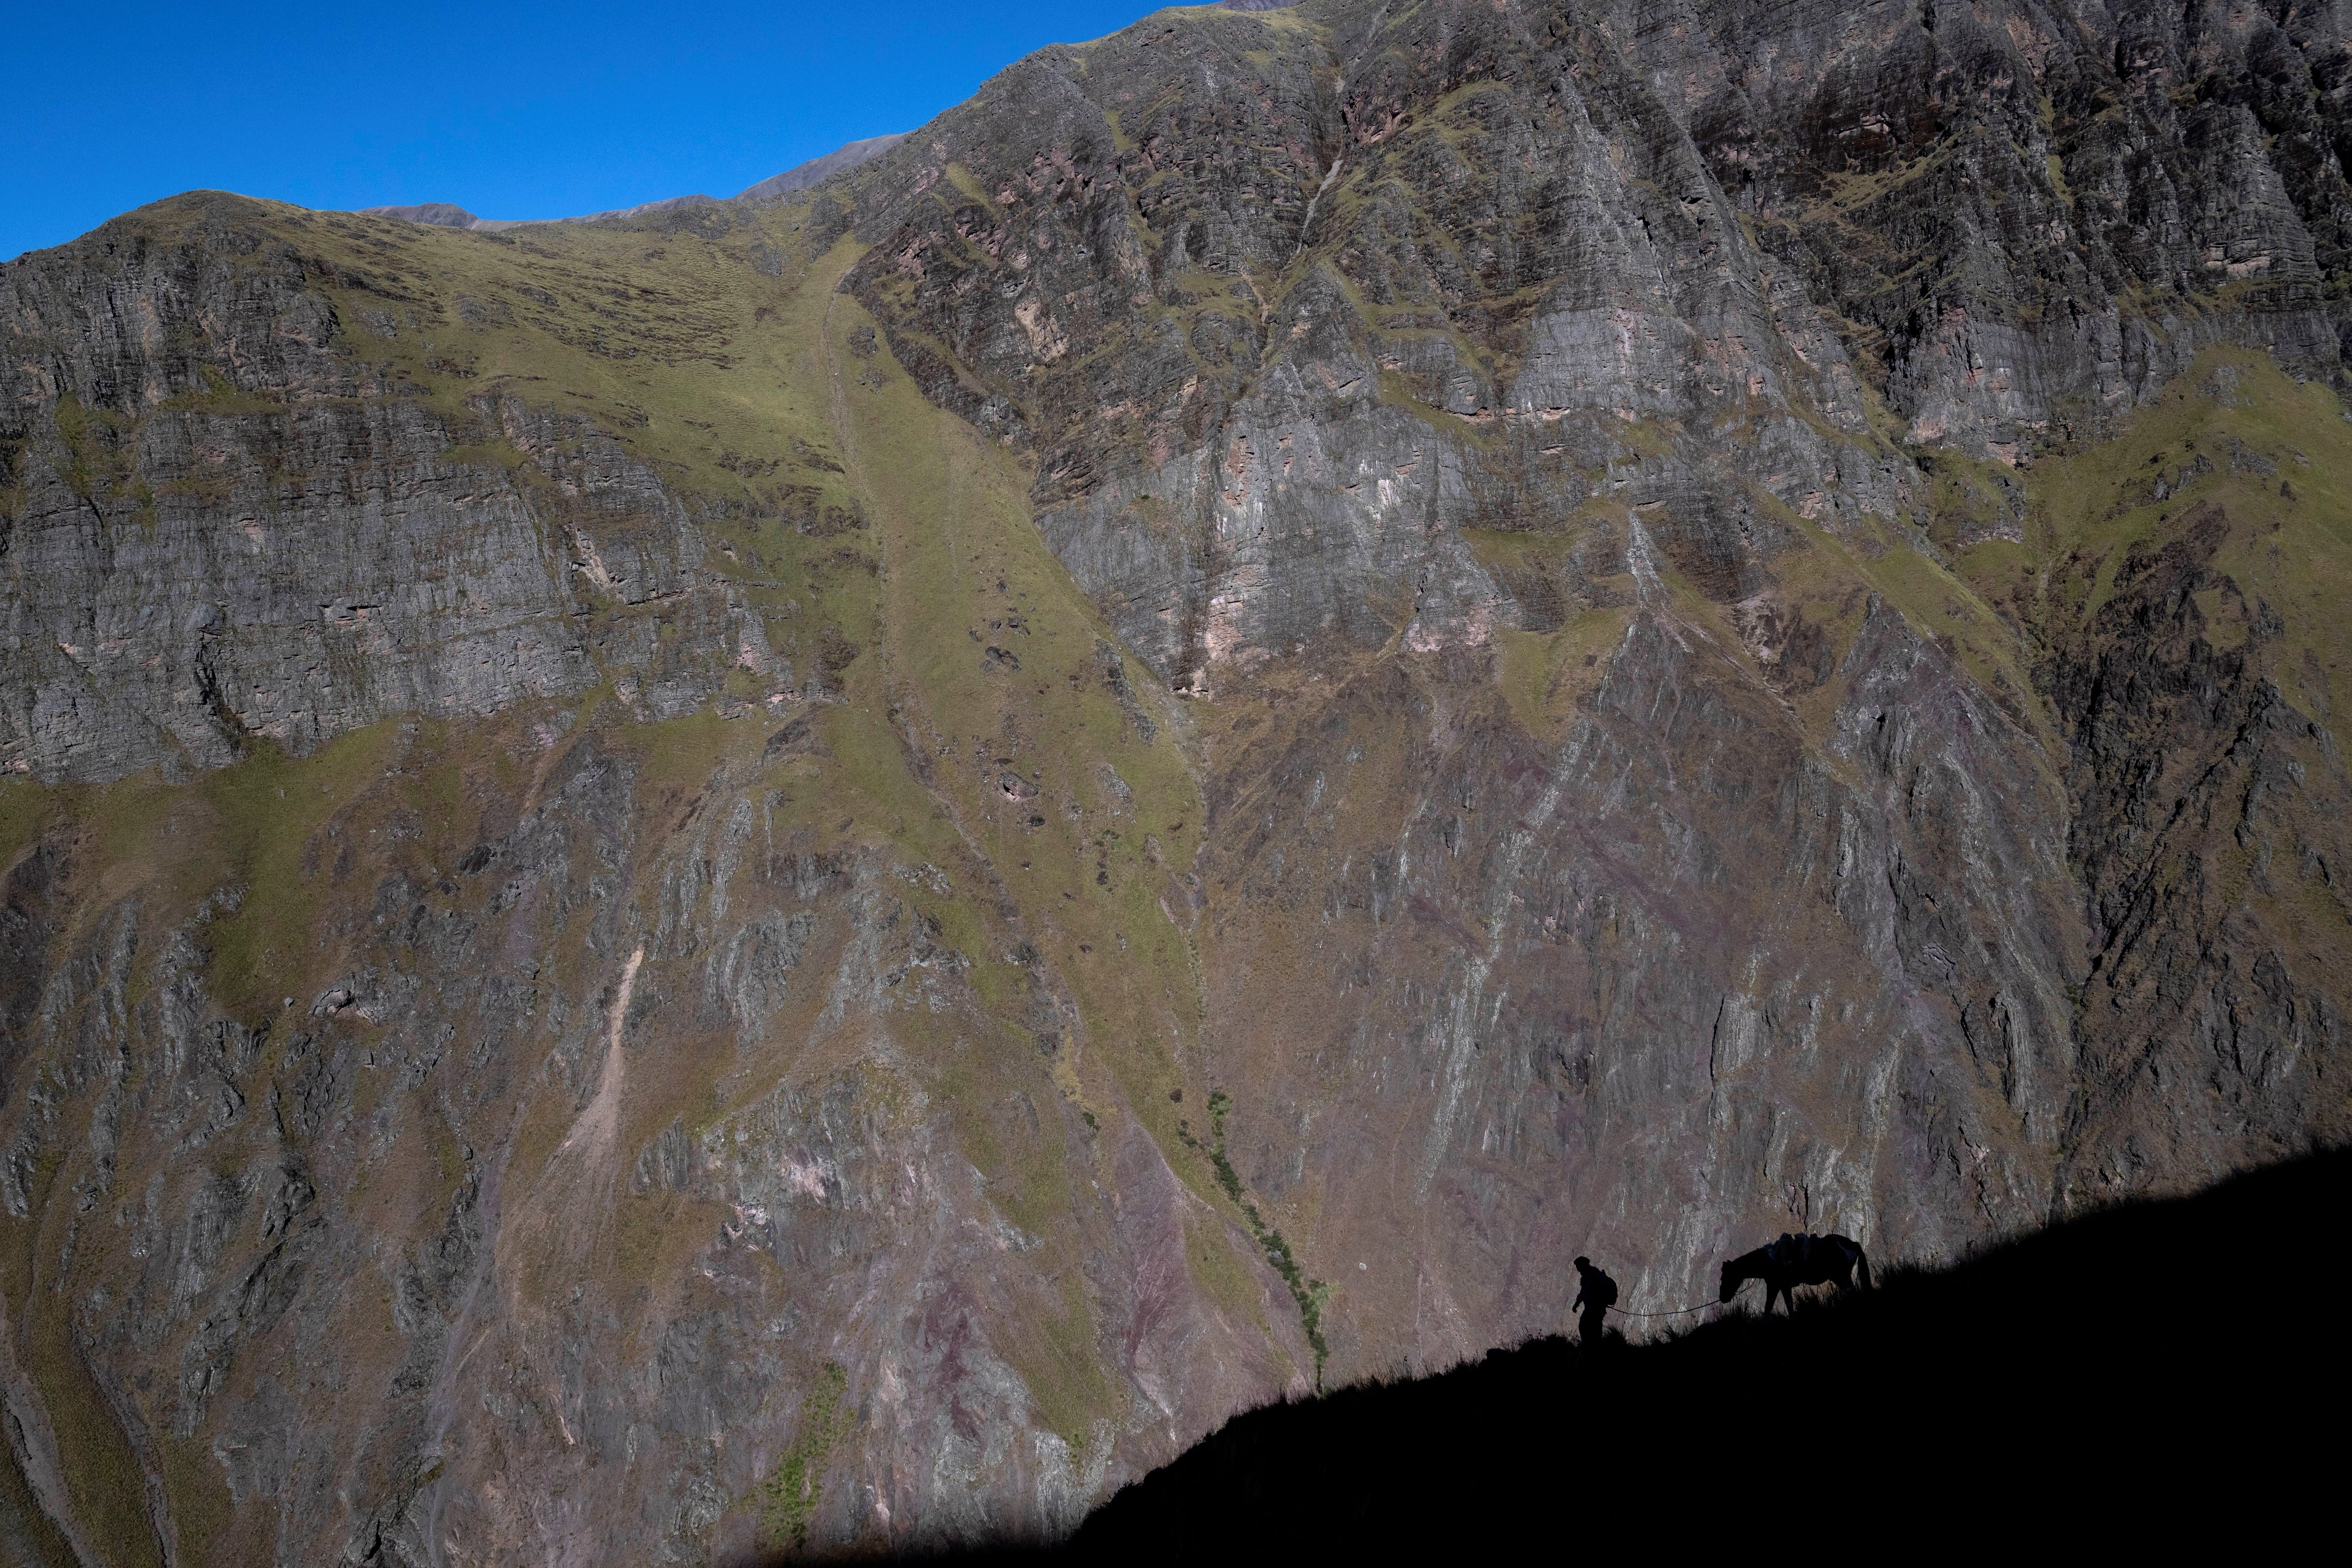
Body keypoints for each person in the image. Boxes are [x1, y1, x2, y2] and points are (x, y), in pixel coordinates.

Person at [1571, 1255, 1617, 1347]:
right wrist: (1576, 1304)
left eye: (1578, 1267)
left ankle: (1593, 1348)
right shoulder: (1588, 1275)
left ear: (1583, 1265)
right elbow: (1583, 1292)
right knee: (1587, 1326)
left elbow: (1584, 1292)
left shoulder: (1593, 1276)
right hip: (1593, 1308)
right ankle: (1593, 1347)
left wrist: (1577, 1304)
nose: (1578, 1270)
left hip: (1596, 1308)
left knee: (1591, 1327)